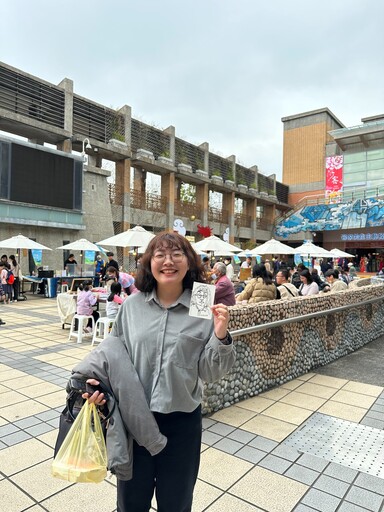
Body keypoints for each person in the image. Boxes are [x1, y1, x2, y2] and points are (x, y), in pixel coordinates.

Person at [76, 231, 235, 511]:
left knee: (176, 503)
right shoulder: (132, 306)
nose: (168, 261)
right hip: (134, 420)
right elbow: (114, 356)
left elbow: (209, 373)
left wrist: (220, 336)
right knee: (131, 502)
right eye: (160, 255)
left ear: (189, 262)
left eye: (177, 254)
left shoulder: (202, 306)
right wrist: (98, 388)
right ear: (149, 262)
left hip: (182, 424)